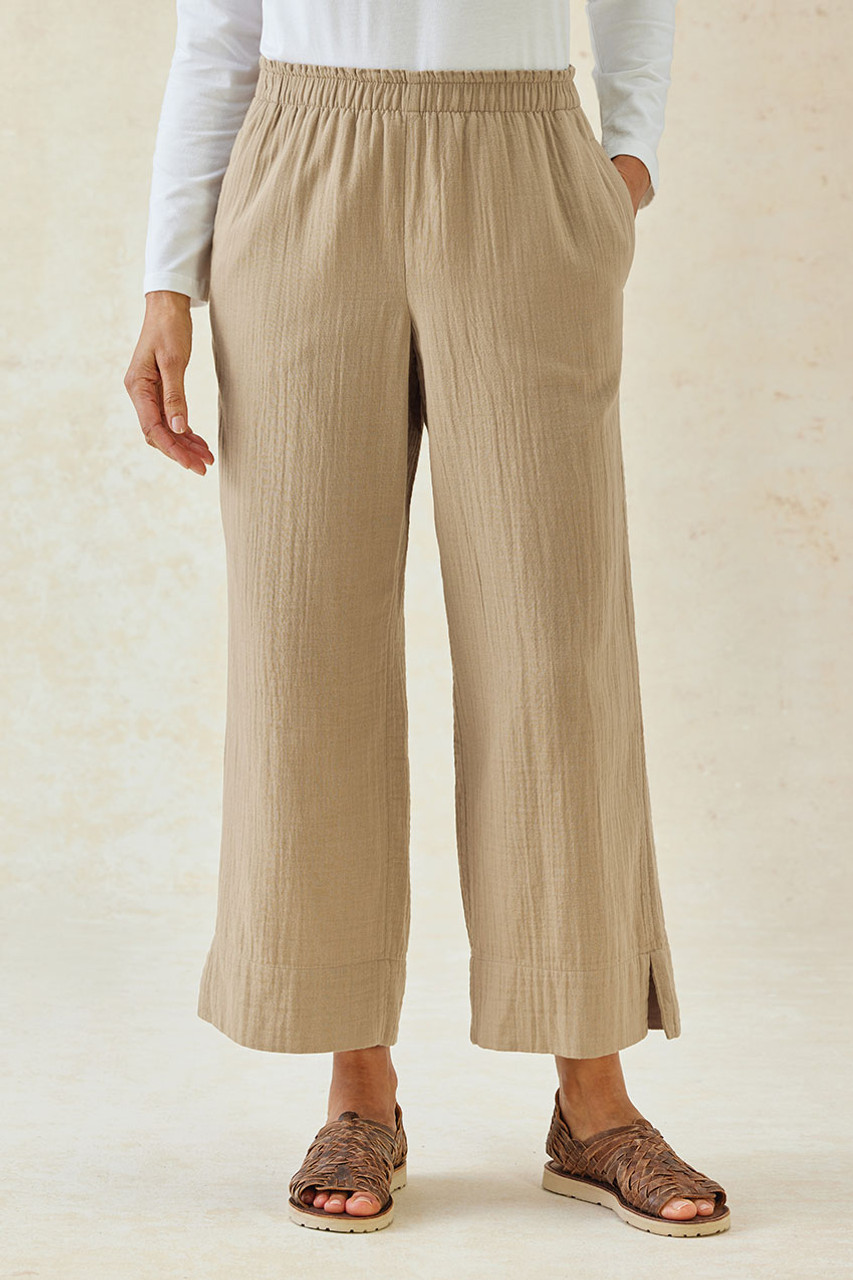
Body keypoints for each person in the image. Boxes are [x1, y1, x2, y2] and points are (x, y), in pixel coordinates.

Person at [124, 0, 730, 1239]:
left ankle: (594, 1101)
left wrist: (624, 163)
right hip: (299, 165)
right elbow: (218, 33)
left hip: (521, 163)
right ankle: (358, 1085)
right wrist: (166, 277)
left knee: (554, 645)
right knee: (306, 644)